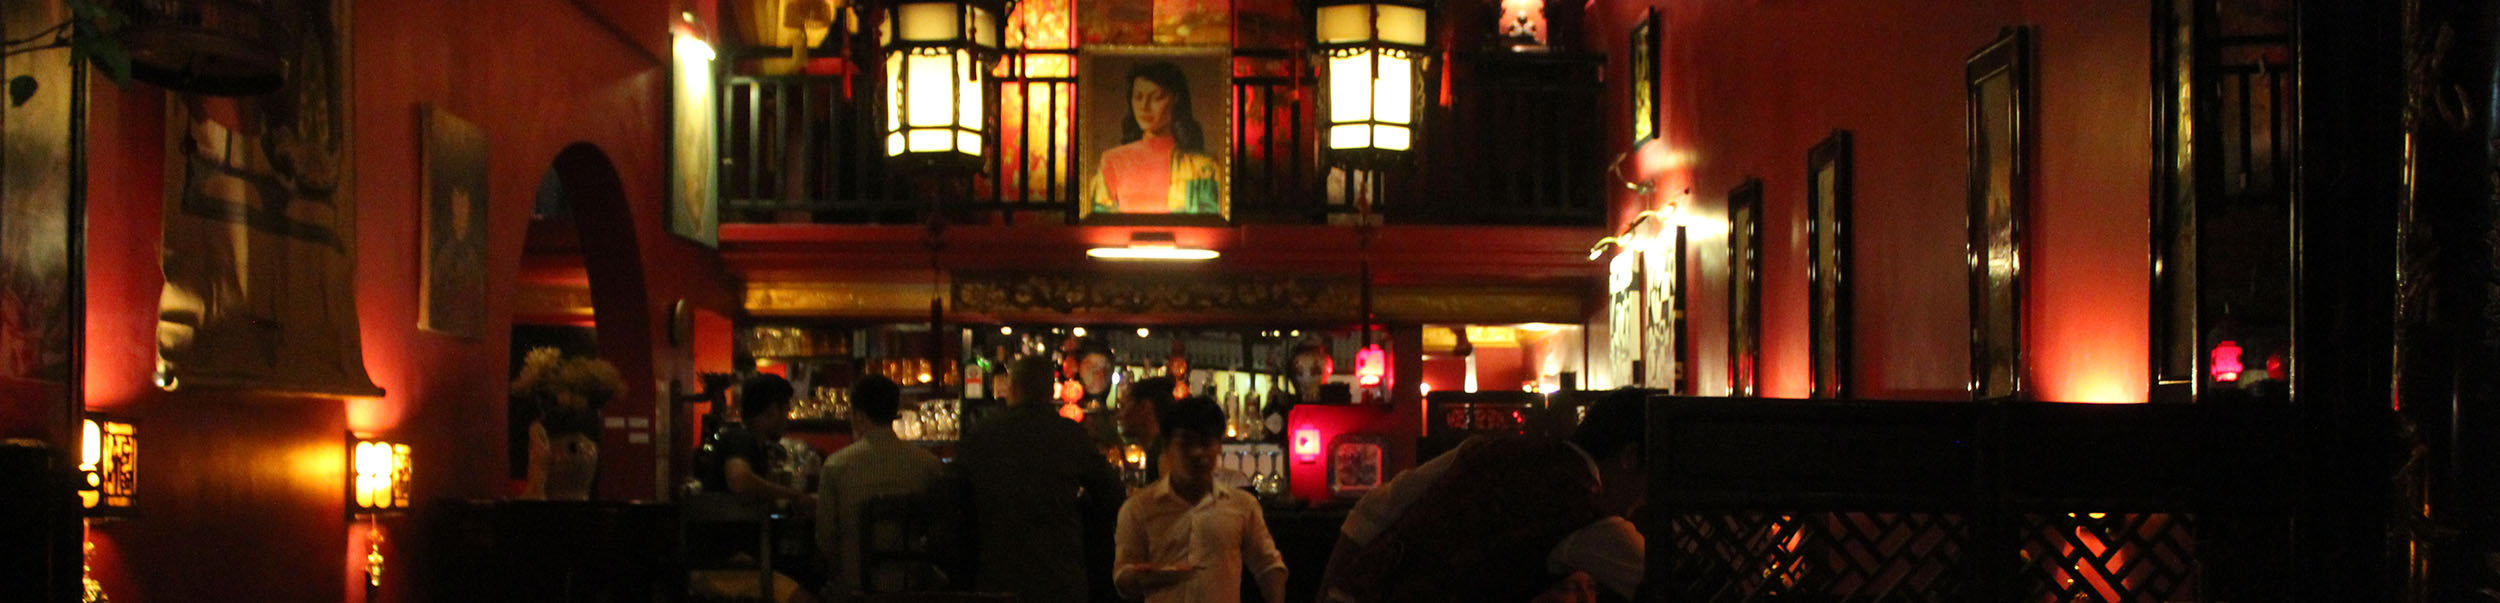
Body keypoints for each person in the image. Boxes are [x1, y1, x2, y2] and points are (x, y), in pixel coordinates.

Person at [1318, 388, 1649, 602]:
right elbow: (1661, 581)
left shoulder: (1486, 450)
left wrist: (1332, 592)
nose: (1643, 499)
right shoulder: (1588, 513)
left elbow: (1374, 508)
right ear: (1630, 457)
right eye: (1651, 479)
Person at [954, 355, 1125, 603]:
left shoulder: (982, 435)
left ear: (1013, 388)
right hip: (1059, 575)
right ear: (1049, 391)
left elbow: (955, 498)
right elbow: (1112, 494)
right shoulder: (1070, 435)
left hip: (997, 574)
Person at [1113, 396, 1288, 603]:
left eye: (1205, 443)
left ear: (1219, 447)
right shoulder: (1139, 508)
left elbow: (1268, 566)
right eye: (1186, 444)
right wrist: (1141, 577)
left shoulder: (1242, 505)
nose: (1197, 453)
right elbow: (1122, 578)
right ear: (1167, 448)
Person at [691, 373, 823, 603]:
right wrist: (794, 496)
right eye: (785, 410)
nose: (787, 419)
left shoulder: (753, 444)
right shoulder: (739, 439)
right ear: (772, 410)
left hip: (737, 562)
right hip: (727, 566)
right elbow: (739, 480)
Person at [817, 375, 947, 598]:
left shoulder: (836, 465)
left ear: (858, 416)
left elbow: (825, 540)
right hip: (912, 588)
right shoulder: (929, 464)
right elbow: (940, 533)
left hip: (856, 590)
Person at [1083, 61, 1225, 218]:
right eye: (1138, 97)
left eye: (1156, 97)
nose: (1144, 107)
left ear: (1176, 100)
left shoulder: (1204, 168)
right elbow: (1100, 219)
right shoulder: (1113, 160)